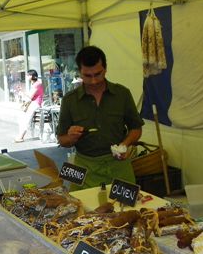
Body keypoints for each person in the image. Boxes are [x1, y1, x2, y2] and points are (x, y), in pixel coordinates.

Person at [57, 46, 143, 189]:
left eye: (98, 74)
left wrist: (124, 145)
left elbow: (136, 128)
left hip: (118, 166)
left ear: (105, 68)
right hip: (83, 166)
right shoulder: (70, 100)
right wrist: (71, 137)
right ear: (79, 72)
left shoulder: (122, 94)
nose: (94, 81)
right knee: (80, 203)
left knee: (124, 204)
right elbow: (62, 140)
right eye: (87, 76)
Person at [14, 69, 44, 143]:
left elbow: (30, 96)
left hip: (35, 103)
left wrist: (22, 92)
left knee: (26, 118)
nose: (27, 76)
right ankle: (20, 135)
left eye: (28, 75)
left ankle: (21, 136)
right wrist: (22, 91)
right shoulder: (34, 84)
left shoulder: (37, 84)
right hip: (33, 103)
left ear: (32, 76)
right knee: (21, 117)